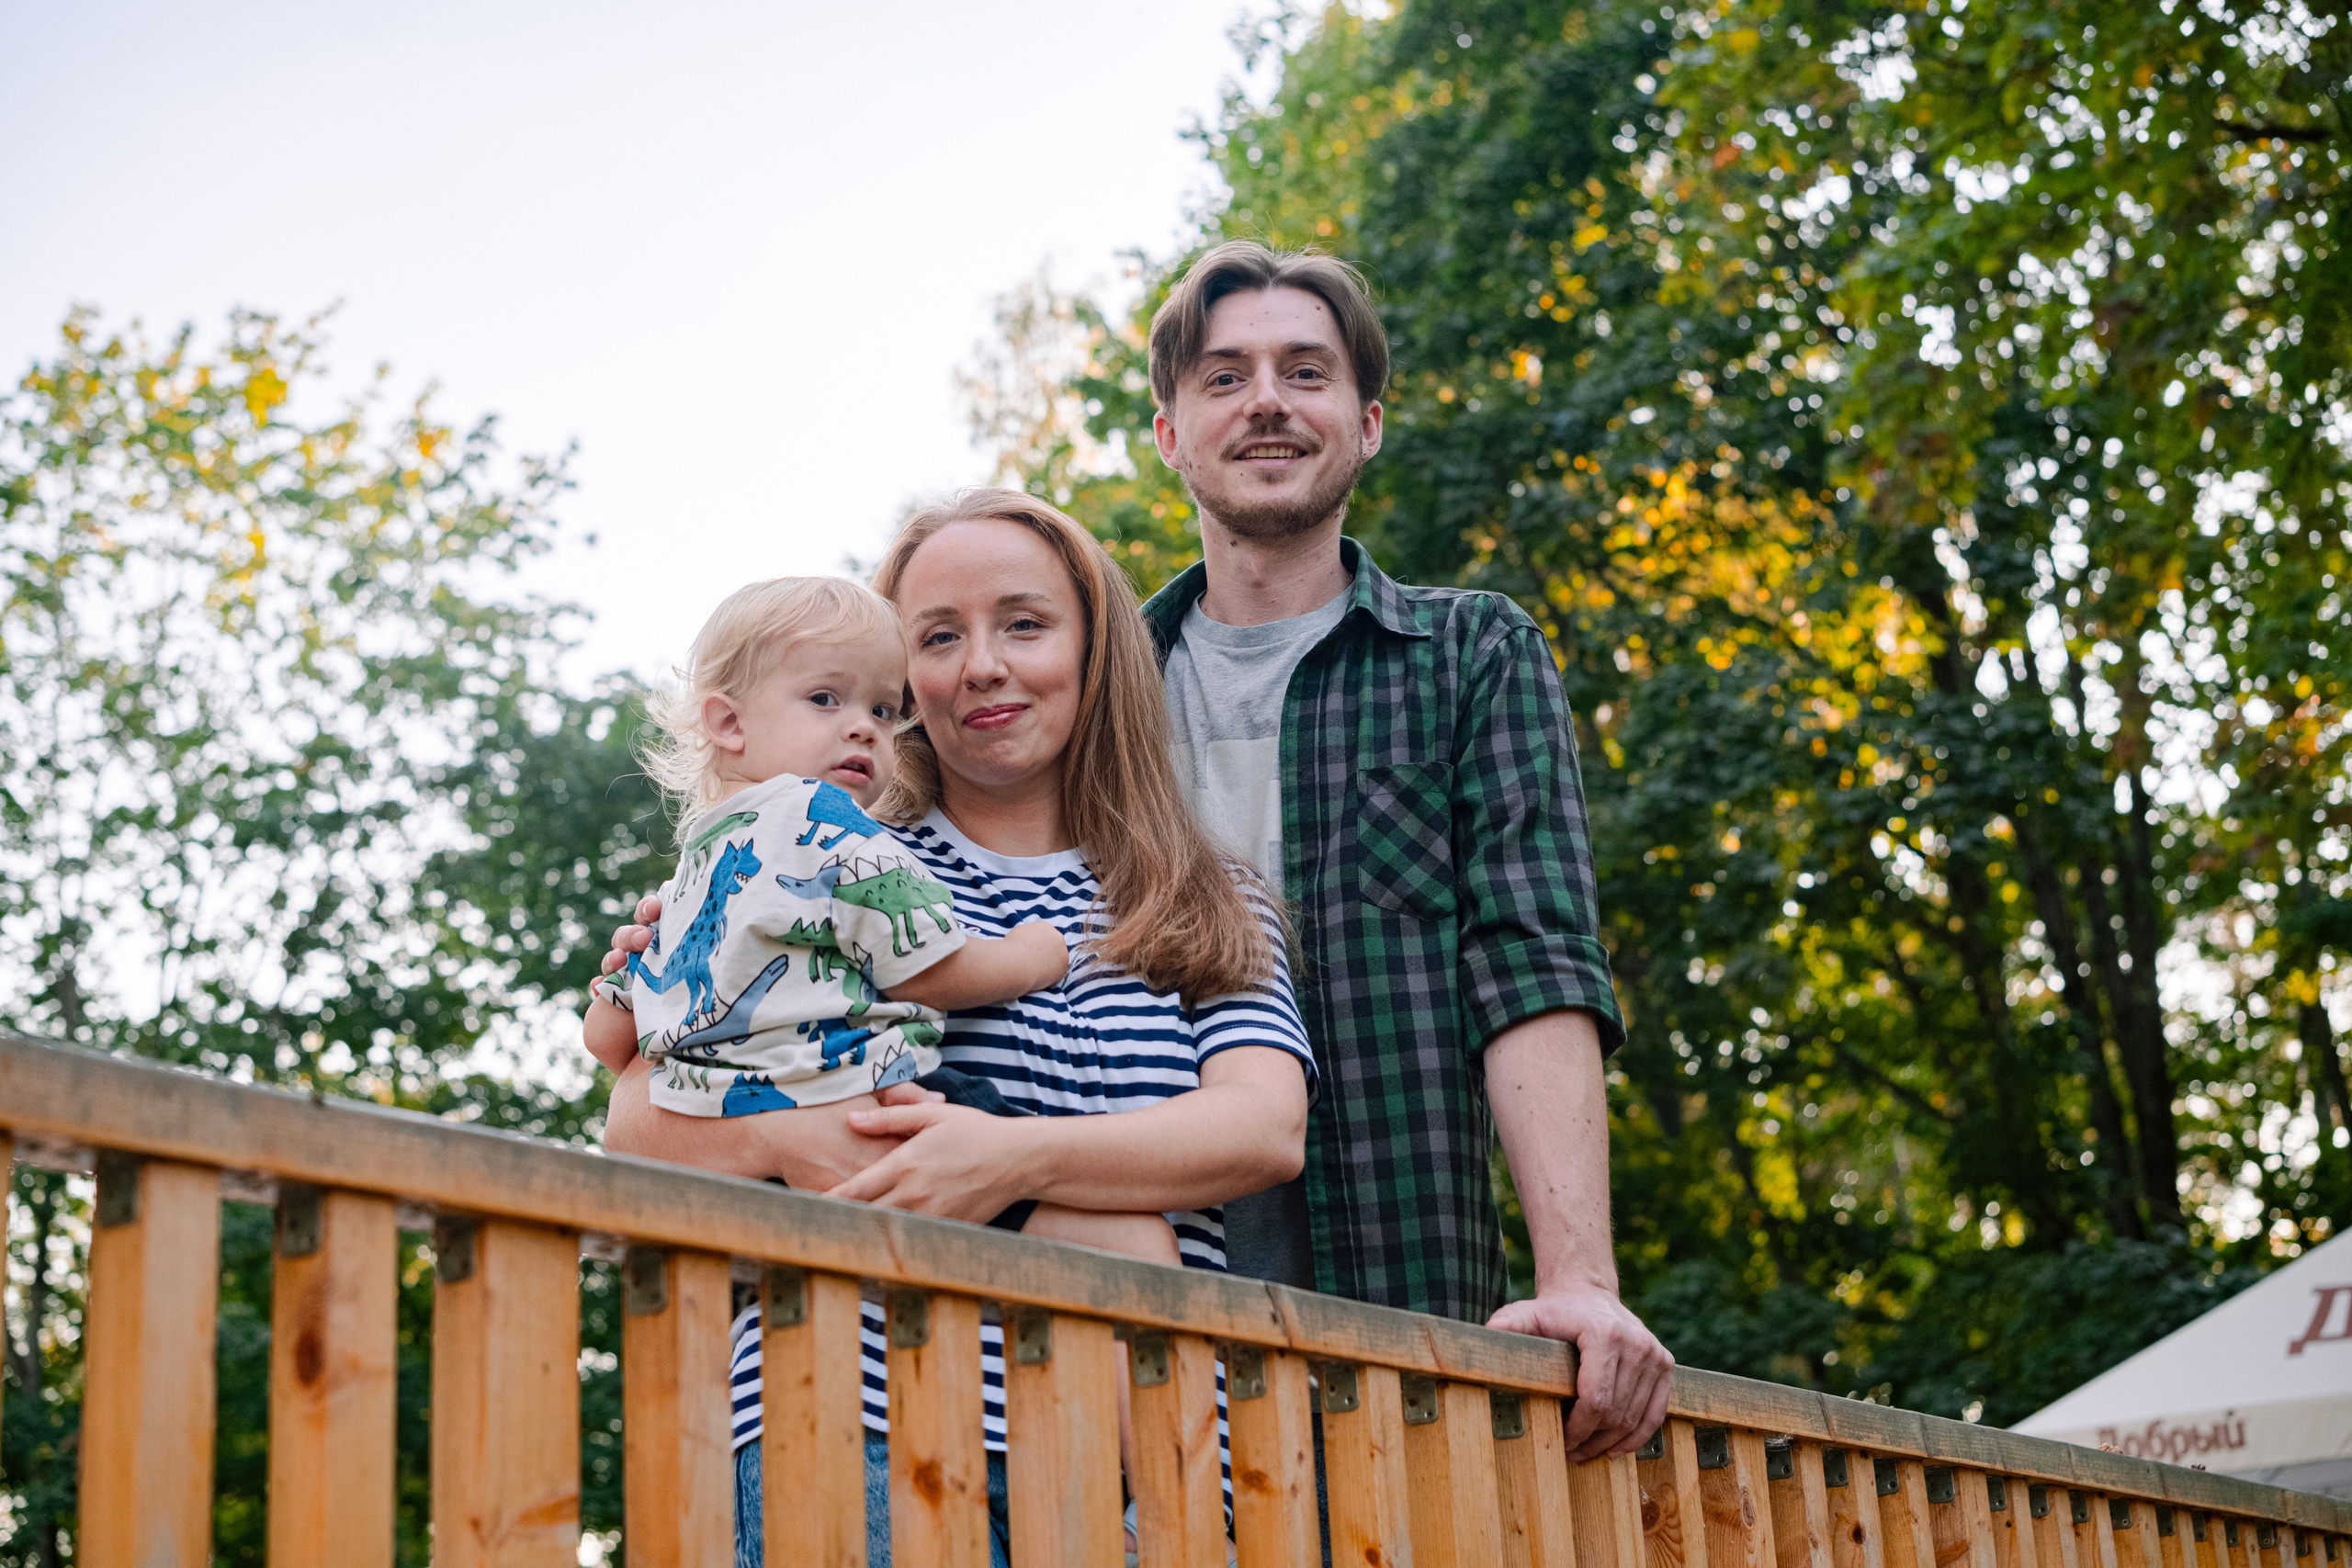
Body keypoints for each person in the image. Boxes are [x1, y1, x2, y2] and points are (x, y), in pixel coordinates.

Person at [596, 494, 1317, 1567]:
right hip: (852, 1409)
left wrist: (1006, 1160)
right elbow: (636, 1117)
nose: (981, 665)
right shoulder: (812, 854)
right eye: (938, 637)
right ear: (904, 682)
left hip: (1129, 1459)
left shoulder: (1206, 899)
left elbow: (1262, 1131)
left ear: (1094, 648)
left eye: (1024, 624)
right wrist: (786, 1135)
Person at [1142, 238, 1673, 1459]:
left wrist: (1579, 1277)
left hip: (1401, 1287)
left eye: (1306, 371)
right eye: (1224, 376)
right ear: (1169, 434)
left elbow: (1532, 960)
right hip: (1131, 1288)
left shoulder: (1471, 655)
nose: (1267, 398)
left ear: (1368, 421)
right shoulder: (1095, 681)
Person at [582, 573, 1172, 1261]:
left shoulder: (688, 873)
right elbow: (933, 971)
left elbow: (606, 1036)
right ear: (729, 722)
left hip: (749, 1152)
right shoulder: (831, 824)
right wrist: (1035, 953)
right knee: (1139, 1241)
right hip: (873, 1100)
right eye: (825, 698)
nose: (863, 725)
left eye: (885, 711)